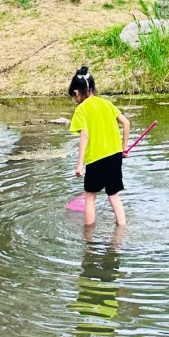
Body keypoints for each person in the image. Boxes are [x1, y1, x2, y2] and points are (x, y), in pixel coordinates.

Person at [68, 65, 130, 227]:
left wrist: (79, 164)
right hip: (115, 155)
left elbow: (85, 135)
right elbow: (126, 123)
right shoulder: (106, 104)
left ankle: (88, 239)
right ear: (93, 88)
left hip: (96, 158)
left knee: (90, 197)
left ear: (77, 93)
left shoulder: (81, 109)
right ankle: (122, 229)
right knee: (113, 195)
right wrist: (123, 148)